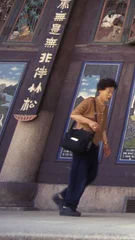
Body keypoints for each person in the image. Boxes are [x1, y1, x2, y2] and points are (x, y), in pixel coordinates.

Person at [53, 78, 117, 217]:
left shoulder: (105, 108)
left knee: (91, 174)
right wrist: (89, 121)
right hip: (82, 142)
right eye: (109, 92)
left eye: (112, 93)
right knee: (79, 174)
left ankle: (64, 195)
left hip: (94, 144)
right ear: (100, 90)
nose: (110, 95)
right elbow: (74, 114)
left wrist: (106, 144)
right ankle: (68, 205)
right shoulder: (89, 101)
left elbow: (103, 128)